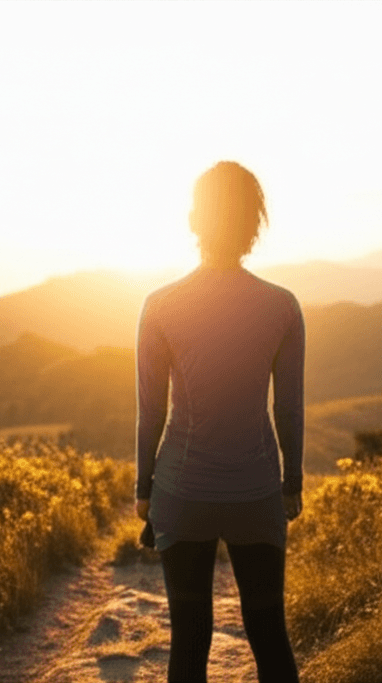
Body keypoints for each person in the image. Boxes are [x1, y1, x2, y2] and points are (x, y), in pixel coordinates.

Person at [135, 161, 303, 683]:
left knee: (189, 638)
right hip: (256, 493)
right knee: (268, 633)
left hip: (182, 493)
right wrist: (291, 483)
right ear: (255, 224)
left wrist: (145, 489)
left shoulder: (159, 306)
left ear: (193, 221)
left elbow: (150, 409)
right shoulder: (282, 306)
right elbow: (290, 408)